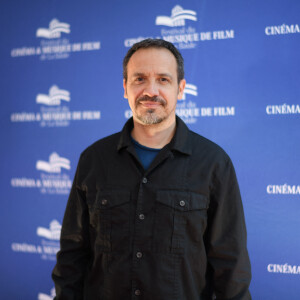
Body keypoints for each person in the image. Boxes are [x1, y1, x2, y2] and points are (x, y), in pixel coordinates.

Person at [52, 39, 251, 300]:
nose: (151, 90)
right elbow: (72, 256)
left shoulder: (213, 163)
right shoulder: (93, 160)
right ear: (125, 87)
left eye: (163, 80)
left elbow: (230, 265)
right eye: (139, 79)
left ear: (181, 89)